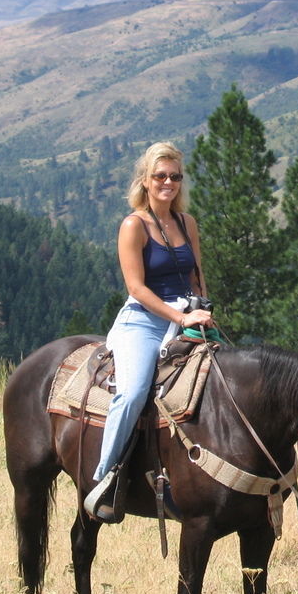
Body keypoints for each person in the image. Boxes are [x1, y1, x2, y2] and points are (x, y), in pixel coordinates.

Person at [84, 141, 214, 521]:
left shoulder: (188, 223)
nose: (168, 182)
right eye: (160, 176)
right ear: (145, 180)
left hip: (187, 314)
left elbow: (197, 275)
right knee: (134, 390)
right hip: (142, 319)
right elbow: (136, 288)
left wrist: (202, 309)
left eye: (175, 176)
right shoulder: (133, 225)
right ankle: (105, 477)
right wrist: (179, 319)